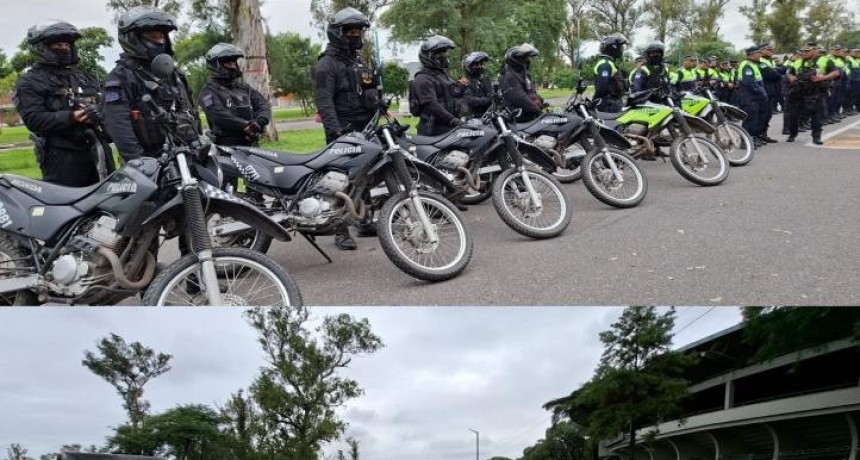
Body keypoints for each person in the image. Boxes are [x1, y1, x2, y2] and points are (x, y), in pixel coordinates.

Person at [14, 20, 115, 187]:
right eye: (58, 44)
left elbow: (105, 104)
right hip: (62, 157)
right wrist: (72, 117)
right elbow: (34, 119)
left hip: (99, 149)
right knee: (66, 207)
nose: (64, 48)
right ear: (41, 47)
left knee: (112, 200)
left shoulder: (85, 77)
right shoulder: (30, 81)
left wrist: (100, 116)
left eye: (67, 44)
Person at [312, 7, 379, 250]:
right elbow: (324, 100)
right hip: (341, 131)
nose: (355, 35)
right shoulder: (326, 64)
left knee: (365, 177)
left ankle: (364, 221)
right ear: (338, 33)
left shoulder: (358, 62)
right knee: (339, 181)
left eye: (358, 31)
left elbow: (369, 91)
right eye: (350, 31)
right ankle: (340, 230)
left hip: (365, 128)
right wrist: (337, 132)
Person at [102, 6, 198, 163]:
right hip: (151, 162)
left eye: (162, 37)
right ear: (132, 38)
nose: (160, 42)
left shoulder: (175, 74)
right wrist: (142, 164)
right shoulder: (121, 76)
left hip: (187, 156)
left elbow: (190, 112)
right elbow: (118, 125)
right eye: (153, 37)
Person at [199, 43, 271, 147]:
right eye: (229, 64)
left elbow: (263, 105)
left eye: (234, 63)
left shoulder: (244, 88)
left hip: (252, 144)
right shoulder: (208, 91)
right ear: (216, 66)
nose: (233, 67)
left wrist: (259, 121)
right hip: (226, 147)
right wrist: (245, 125)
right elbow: (217, 115)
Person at [785, 43, 839, 145]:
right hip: (798, 92)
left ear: (814, 50)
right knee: (793, 115)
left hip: (816, 92)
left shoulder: (825, 60)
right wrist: (790, 77)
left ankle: (816, 136)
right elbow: (789, 72)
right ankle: (792, 134)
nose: (804, 53)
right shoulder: (798, 61)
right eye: (803, 51)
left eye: (807, 51)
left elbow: (836, 73)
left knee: (817, 116)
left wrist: (822, 78)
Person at [409, 35, 462, 135]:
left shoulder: (442, 75)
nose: (443, 56)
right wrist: (453, 120)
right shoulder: (423, 78)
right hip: (433, 130)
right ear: (428, 55)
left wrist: (461, 88)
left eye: (444, 53)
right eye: (439, 53)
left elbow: (452, 95)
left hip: (447, 126)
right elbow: (431, 105)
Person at [499, 43, 544, 122]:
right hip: (517, 119)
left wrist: (540, 100)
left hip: (529, 115)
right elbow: (519, 97)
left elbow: (530, 92)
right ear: (516, 59)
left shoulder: (524, 74)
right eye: (524, 58)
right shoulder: (509, 76)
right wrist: (536, 108)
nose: (528, 60)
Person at [736, 46, 769, 148]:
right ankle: (744, 142)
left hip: (754, 98)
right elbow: (749, 82)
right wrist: (762, 93)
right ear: (752, 54)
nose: (760, 55)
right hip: (749, 98)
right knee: (749, 120)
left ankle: (753, 139)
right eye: (758, 53)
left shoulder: (753, 64)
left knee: (755, 119)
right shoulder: (746, 65)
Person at [592, 33, 628, 112]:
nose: (621, 49)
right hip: (608, 105)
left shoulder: (610, 63)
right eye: (620, 47)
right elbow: (602, 88)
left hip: (613, 102)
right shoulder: (605, 64)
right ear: (613, 48)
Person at [457, 51, 493, 117]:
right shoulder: (464, 81)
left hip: (489, 115)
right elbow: (469, 99)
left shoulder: (485, 79)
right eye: (476, 64)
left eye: (481, 64)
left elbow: (492, 94)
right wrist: (487, 100)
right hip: (474, 118)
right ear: (469, 66)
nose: (479, 66)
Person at [757, 43, 779, 143]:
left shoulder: (770, 61)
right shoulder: (760, 61)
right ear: (761, 51)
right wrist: (777, 73)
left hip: (770, 91)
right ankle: (758, 135)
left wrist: (776, 73)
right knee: (762, 115)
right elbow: (771, 75)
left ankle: (763, 134)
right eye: (768, 50)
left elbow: (775, 73)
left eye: (772, 50)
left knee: (768, 115)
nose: (771, 51)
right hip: (763, 91)